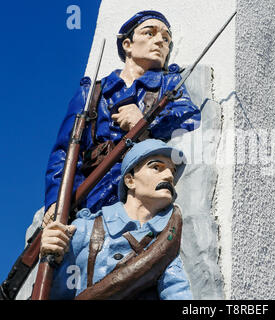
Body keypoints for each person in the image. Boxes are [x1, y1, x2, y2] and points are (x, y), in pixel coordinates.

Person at [44, 10, 200, 226]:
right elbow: (65, 152)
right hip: (91, 192)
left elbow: (189, 119)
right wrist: (55, 201)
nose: (160, 41)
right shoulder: (92, 93)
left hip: (140, 191)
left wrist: (145, 122)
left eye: (166, 39)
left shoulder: (170, 84)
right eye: (150, 33)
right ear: (127, 44)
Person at [42, 139, 192, 299]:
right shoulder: (85, 229)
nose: (169, 176)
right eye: (157, 167)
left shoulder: (165, 240)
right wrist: (53, 257)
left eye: (172, 171)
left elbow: (177, 291)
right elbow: (58, 295)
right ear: (130, 180)